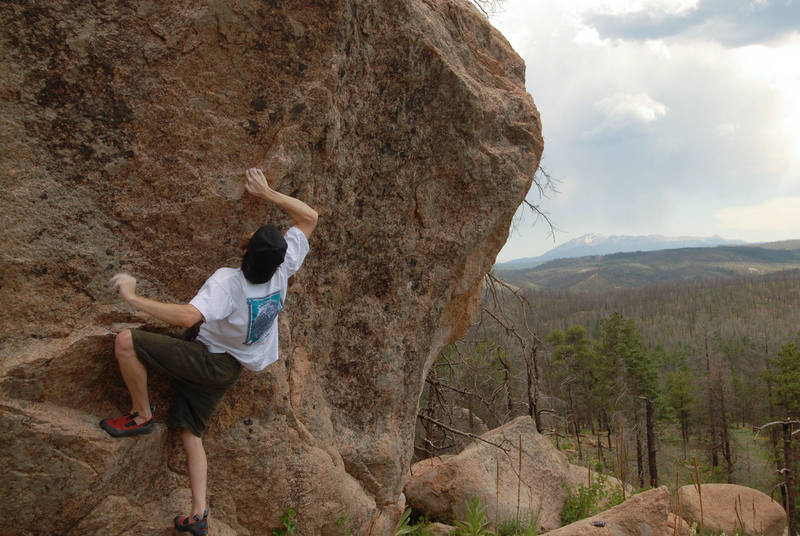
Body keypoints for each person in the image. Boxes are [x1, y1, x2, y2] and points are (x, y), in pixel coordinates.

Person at [100, 167, 318, 535]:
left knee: (125, 341)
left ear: (247, 251)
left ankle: (140, 415)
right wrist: (267, 193)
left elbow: (188, 317)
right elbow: (309, 217)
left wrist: (133, 298)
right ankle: (199, 515)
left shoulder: (229, 283)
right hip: (230, 369)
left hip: (208, 359)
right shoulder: (283, 272)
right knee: (190, 434)